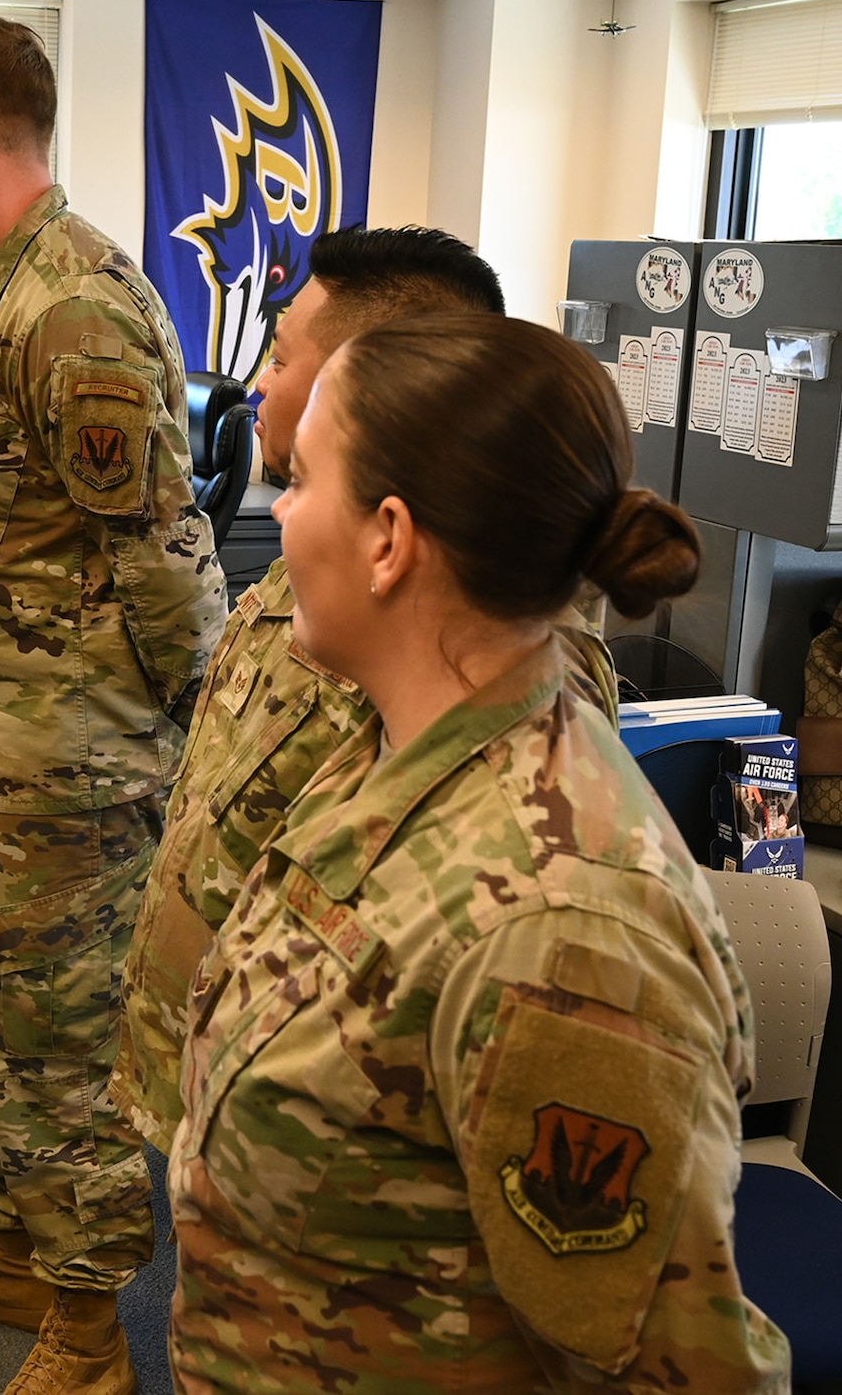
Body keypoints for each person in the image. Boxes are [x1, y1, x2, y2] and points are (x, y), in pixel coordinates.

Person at [167, 312, 788, 1390]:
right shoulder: (391, 748)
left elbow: (674, 1370)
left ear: (387, 539)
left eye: (303, 479)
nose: (278, 505)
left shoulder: (562, 929)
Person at [0, 9, 227, 1393]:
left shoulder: (71, 302)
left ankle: (87, 1329)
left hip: (70, 783)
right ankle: (19, 1249)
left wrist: (177, 758)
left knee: (64, 1054)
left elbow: (162, 561)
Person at [114, 228, 622, 1156]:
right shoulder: (328, 583)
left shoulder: (518, 708)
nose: (260, 384)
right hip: (258, 1099)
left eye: (279, 356)